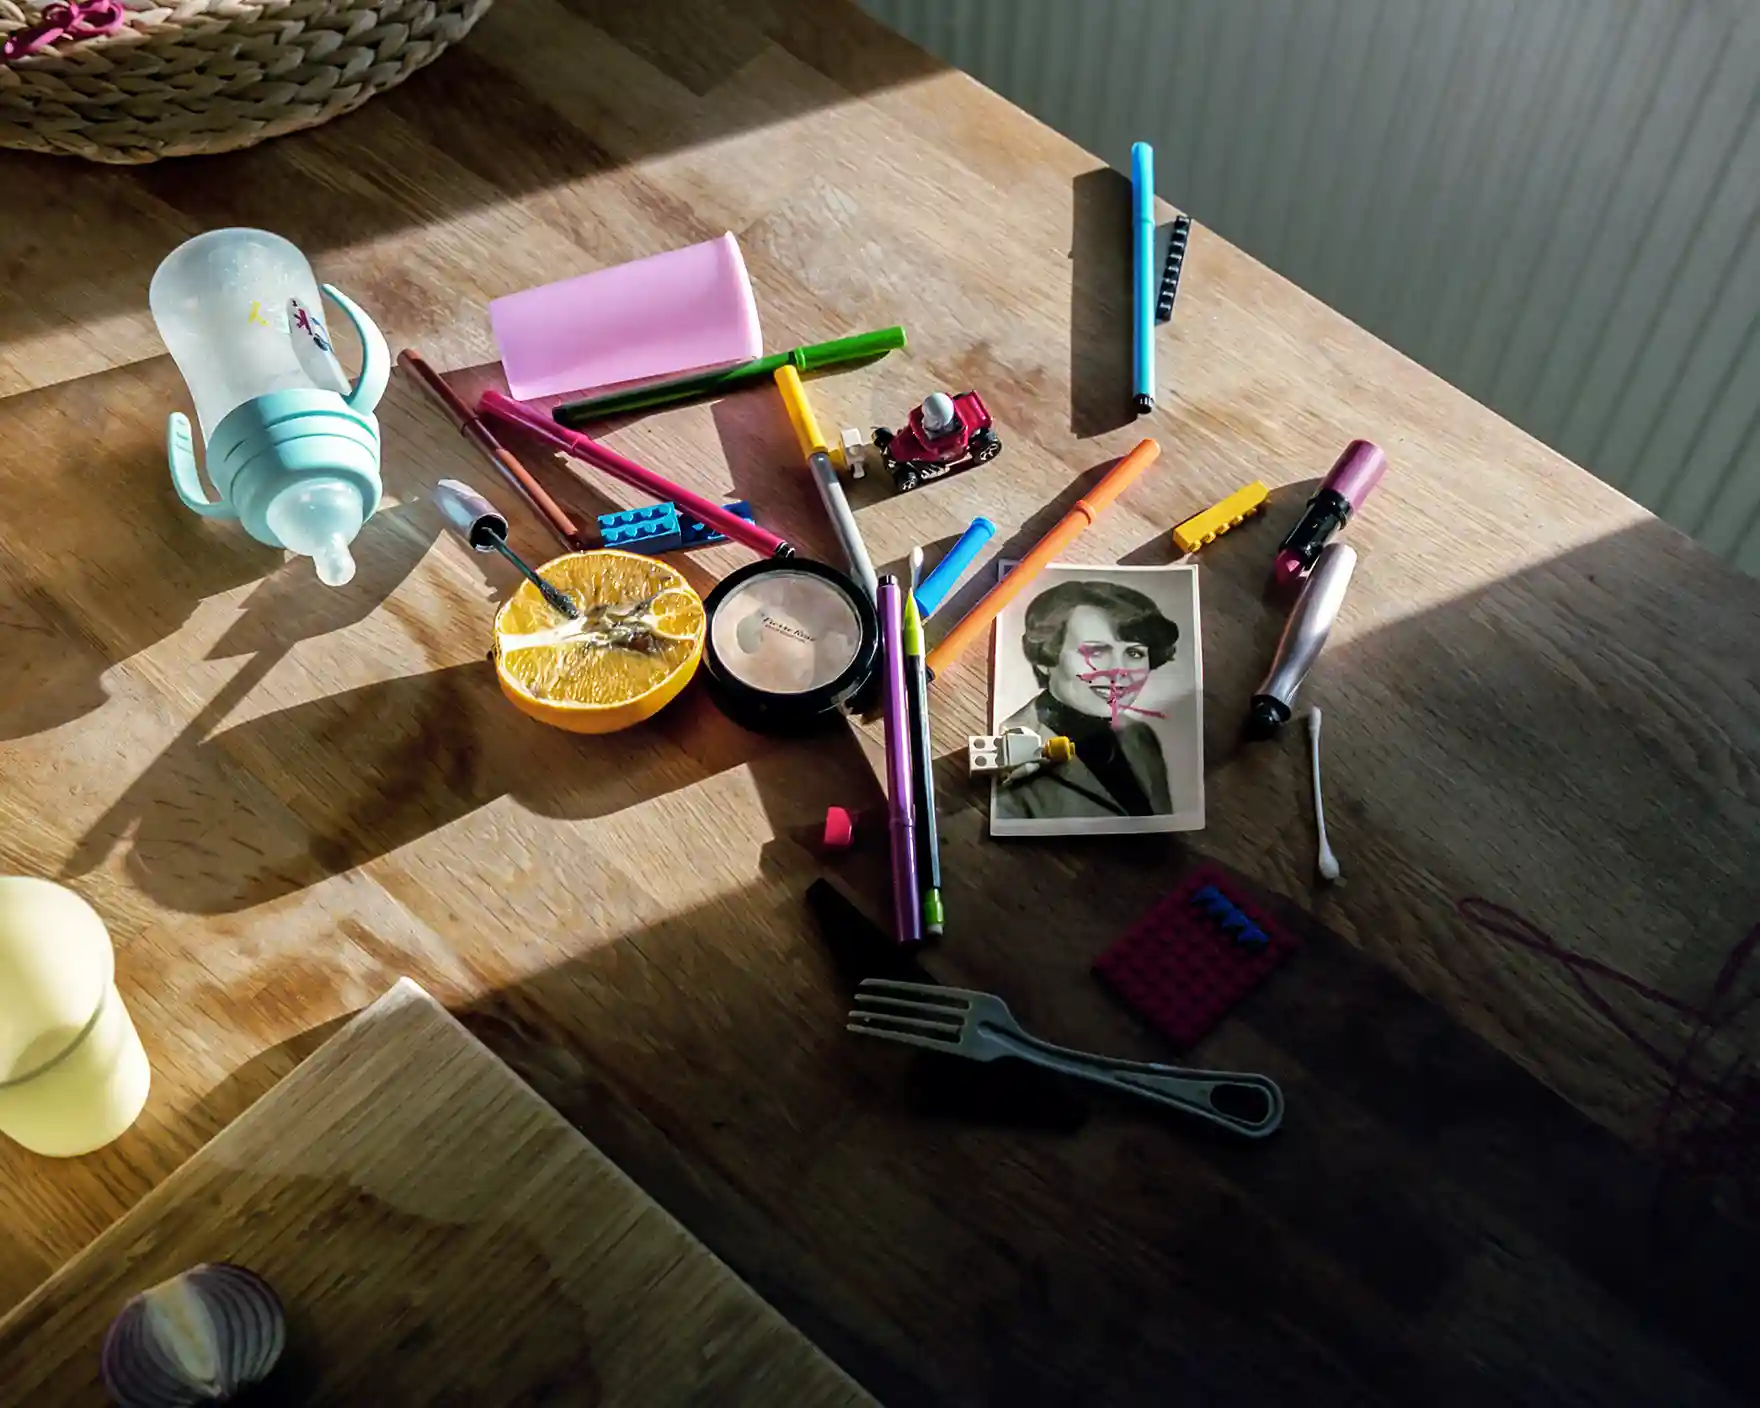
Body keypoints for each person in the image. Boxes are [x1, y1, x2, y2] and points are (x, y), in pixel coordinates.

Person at [995, 580, 1179, 821]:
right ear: (1044, 658)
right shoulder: (1005, 750)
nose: (1118, 671)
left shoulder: (1139, 735)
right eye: (1095, 652)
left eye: (1134, 653)